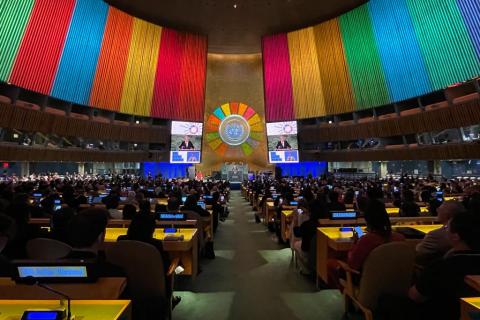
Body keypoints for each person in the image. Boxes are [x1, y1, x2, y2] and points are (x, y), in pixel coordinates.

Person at [406, 213, 480, 320]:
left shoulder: (442, 266)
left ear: (456, 236)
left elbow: (415, 296)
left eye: (446, 228)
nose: (444, 231)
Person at [416, 201, 465, 266]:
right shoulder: (470, 231)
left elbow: (419, 251)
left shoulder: (435, 235)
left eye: (439, 209)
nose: (437, 210)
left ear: (447, 214)